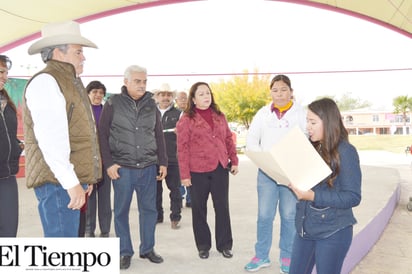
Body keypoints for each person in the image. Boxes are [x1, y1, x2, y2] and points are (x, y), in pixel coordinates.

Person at [23, 21, 102, 237]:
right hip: (57, 182)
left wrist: (83, 177)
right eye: (78, 52)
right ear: (59, 52)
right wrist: (72, 182)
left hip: (66, 180)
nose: (83, 57)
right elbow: (51, 141)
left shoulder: (68, 82)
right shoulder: (47, 82)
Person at [98, 65, 167, 270]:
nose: (142, 85)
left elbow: (159, 134)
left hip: (148, 166)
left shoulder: (151, 105)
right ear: (126, 81)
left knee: (149, 210)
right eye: (137, 81)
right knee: (121, 211)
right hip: (123, 168)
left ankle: (147, 249)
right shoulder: (112, 103)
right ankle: (124, 252)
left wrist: (162, 161)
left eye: (144, 81)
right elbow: (102, 134)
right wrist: (108, 163)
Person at [288, 98, 362, 274]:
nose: (308, 126)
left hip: (333, 232)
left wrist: (312, 195)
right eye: (307, 121)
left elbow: (352, 196)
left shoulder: (346, 152)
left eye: (313, 122)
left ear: (328, 122)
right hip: (305, 229)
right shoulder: (312, 148)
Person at [244, 74, 306, 273]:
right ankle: (261, 255)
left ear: (291, 92)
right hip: (267, 173)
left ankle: (287, 256)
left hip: (290, 175)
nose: (279, 94)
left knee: (289, 216)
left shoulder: (301, 114)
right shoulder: (263, 114)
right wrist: (266, 160)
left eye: (283, 89)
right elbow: (252, 140)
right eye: (275, 90)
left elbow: (308, 140)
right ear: (270, 92)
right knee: (264, 216)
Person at [176, 81, 239, 260]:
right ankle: (203, 246)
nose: (206, 96)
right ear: (193, 99)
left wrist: (233, 160)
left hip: (220, 167)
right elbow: (182, 148)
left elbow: (228, 138)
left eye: (208, 93)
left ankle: (225, 245)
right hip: (197, 170)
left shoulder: (220, 115)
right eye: (201, 94)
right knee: (198, 209)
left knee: (222, 207)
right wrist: (184, 175)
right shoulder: (186, 119)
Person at [84, 80, 112, 237]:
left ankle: (105, 229)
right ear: (88, 93)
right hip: (88, 162)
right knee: (90, 196)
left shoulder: (107, 111)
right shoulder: (83, 112)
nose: (98, 95)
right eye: (95, 92)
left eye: (101, 93)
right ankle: (89, 229)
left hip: (105, 162)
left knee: (105, 197)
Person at [0, 55, 23, 237]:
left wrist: (17, 145)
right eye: (1, 72)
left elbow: (9, 135)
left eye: (6, 73)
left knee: (9, 231)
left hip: (7, 176)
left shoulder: (7, 104)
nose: (5, 77)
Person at [153, 83, 182, 229]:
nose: (165, 97)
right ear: (156, 97)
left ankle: (175, 217)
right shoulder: (150, 113)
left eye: (168, 95)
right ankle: (158, 216)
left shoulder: (179, 115)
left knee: (175, 190)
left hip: (173, 159)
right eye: (162, 94)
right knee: (155, 190)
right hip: (154, 159)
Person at [175, 91, 191, 207]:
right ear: (176, 101)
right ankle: (180, 197)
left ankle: (190, 199)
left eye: (185, 98)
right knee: (178, 175)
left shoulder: (192, 113)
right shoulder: (173, 114)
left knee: (190, 175)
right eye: (181, 99)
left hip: (190, 151)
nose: (183, 101)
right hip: (176, 150)